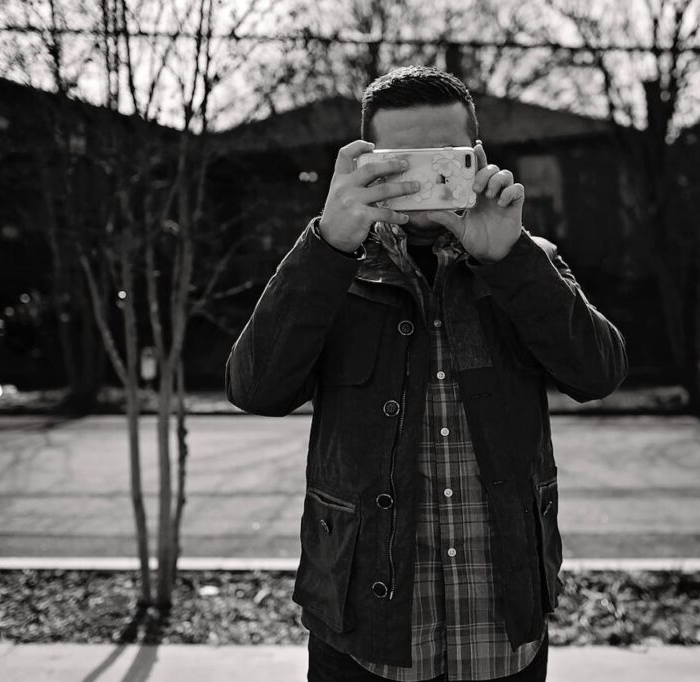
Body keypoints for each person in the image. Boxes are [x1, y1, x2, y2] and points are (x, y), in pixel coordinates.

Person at [226, 66, 627, 682]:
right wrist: (329, 243)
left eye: (443, 155)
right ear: (364, 164)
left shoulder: (524, 258)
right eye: (398, 159)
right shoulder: (333, 266)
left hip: (502, 631)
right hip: (364, 634)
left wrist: (508, 258)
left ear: (475, 155)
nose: (422, 176)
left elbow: (597, 374)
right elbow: (255, 388)